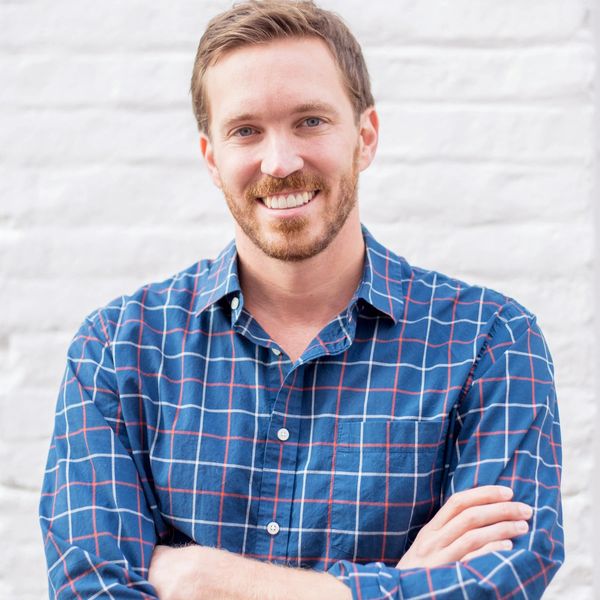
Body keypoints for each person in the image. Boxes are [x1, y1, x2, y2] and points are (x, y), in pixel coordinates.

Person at [39, 1, 564, 598]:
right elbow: (92, 586)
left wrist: (206, 578)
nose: (281, 162)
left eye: (310, 121)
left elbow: (501, 581)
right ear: (212, 158)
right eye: (246, 131)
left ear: (365, 138)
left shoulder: (488, 340)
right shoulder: (120, 348)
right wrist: (400, 585)